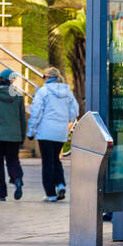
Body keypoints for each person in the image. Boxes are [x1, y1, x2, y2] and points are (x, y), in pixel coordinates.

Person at [27, 67, 79, 202]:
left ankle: (50, 194)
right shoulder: (67, 92)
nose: (43, 79)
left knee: (47, 162)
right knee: (56, 159)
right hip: (60, 131)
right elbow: (74, 112)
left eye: (44, 77)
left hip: (45, 132)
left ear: (48, 78)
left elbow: (36, 113)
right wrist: (65, 121)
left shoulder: (43, 92)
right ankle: (60, 184)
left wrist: (31, 131)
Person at [0, 68, 27, 201]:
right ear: (11, 81)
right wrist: (22, 136)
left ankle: (1, 194)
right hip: (14, 135)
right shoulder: (18, 96)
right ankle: (17, 178)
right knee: (13, 160)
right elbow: (22, 119)